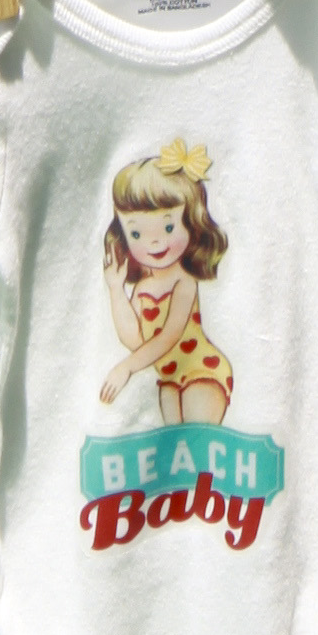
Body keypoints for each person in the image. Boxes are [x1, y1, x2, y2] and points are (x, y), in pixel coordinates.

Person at [99, 136, 232, 425]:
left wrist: (126, 369)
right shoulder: (143, 287)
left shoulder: (184, 281)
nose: (154, 240)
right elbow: (136, 340)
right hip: (169, 379)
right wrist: (116, 290)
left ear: (192, 221)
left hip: (203, 370)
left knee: (199, 451)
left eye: (168, 226)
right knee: (178, 465)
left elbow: (169, 337)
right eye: (136, 233)